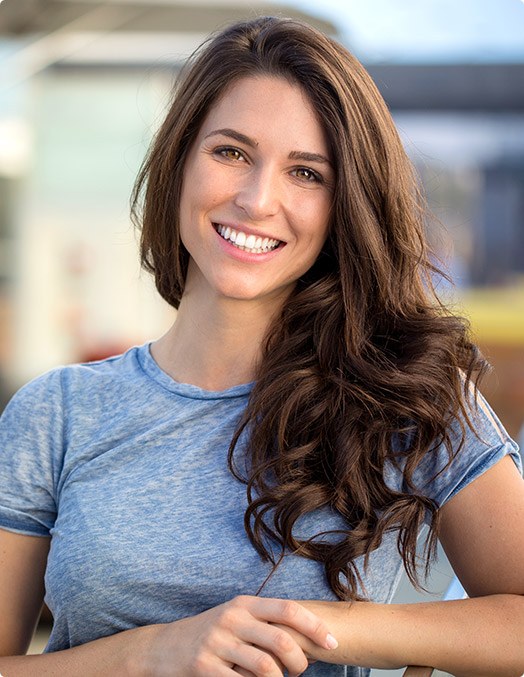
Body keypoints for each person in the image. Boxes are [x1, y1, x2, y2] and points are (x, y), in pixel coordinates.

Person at [0, 16, 523, 677]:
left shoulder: (407, 393)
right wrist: (151, 651)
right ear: (180, 159)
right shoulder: (57, 414)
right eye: (231, 152)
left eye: (306, 172)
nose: (256, 199)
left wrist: (328, 627)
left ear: (344, 206)